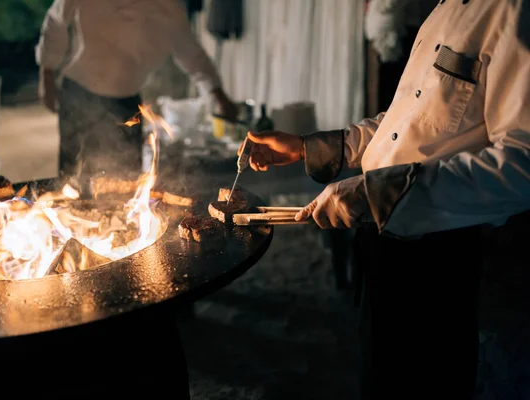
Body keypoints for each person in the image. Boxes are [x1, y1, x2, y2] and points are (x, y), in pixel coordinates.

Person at [241, 0, 530, 398]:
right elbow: (404, 122)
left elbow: (521, 166)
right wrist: (311, 147)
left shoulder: (513, 14)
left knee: (425, 381)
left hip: (435, 255)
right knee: (381, 375)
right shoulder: (443, 10)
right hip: (382, 240)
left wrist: (375, 191)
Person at [35, 0, 237, 189]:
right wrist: (47, 73)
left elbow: (194, 57)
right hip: (79, 96)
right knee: (72, 180)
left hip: (126, 104)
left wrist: (219, 97)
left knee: (125, 181)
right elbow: (55, 20)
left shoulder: (168, 9)